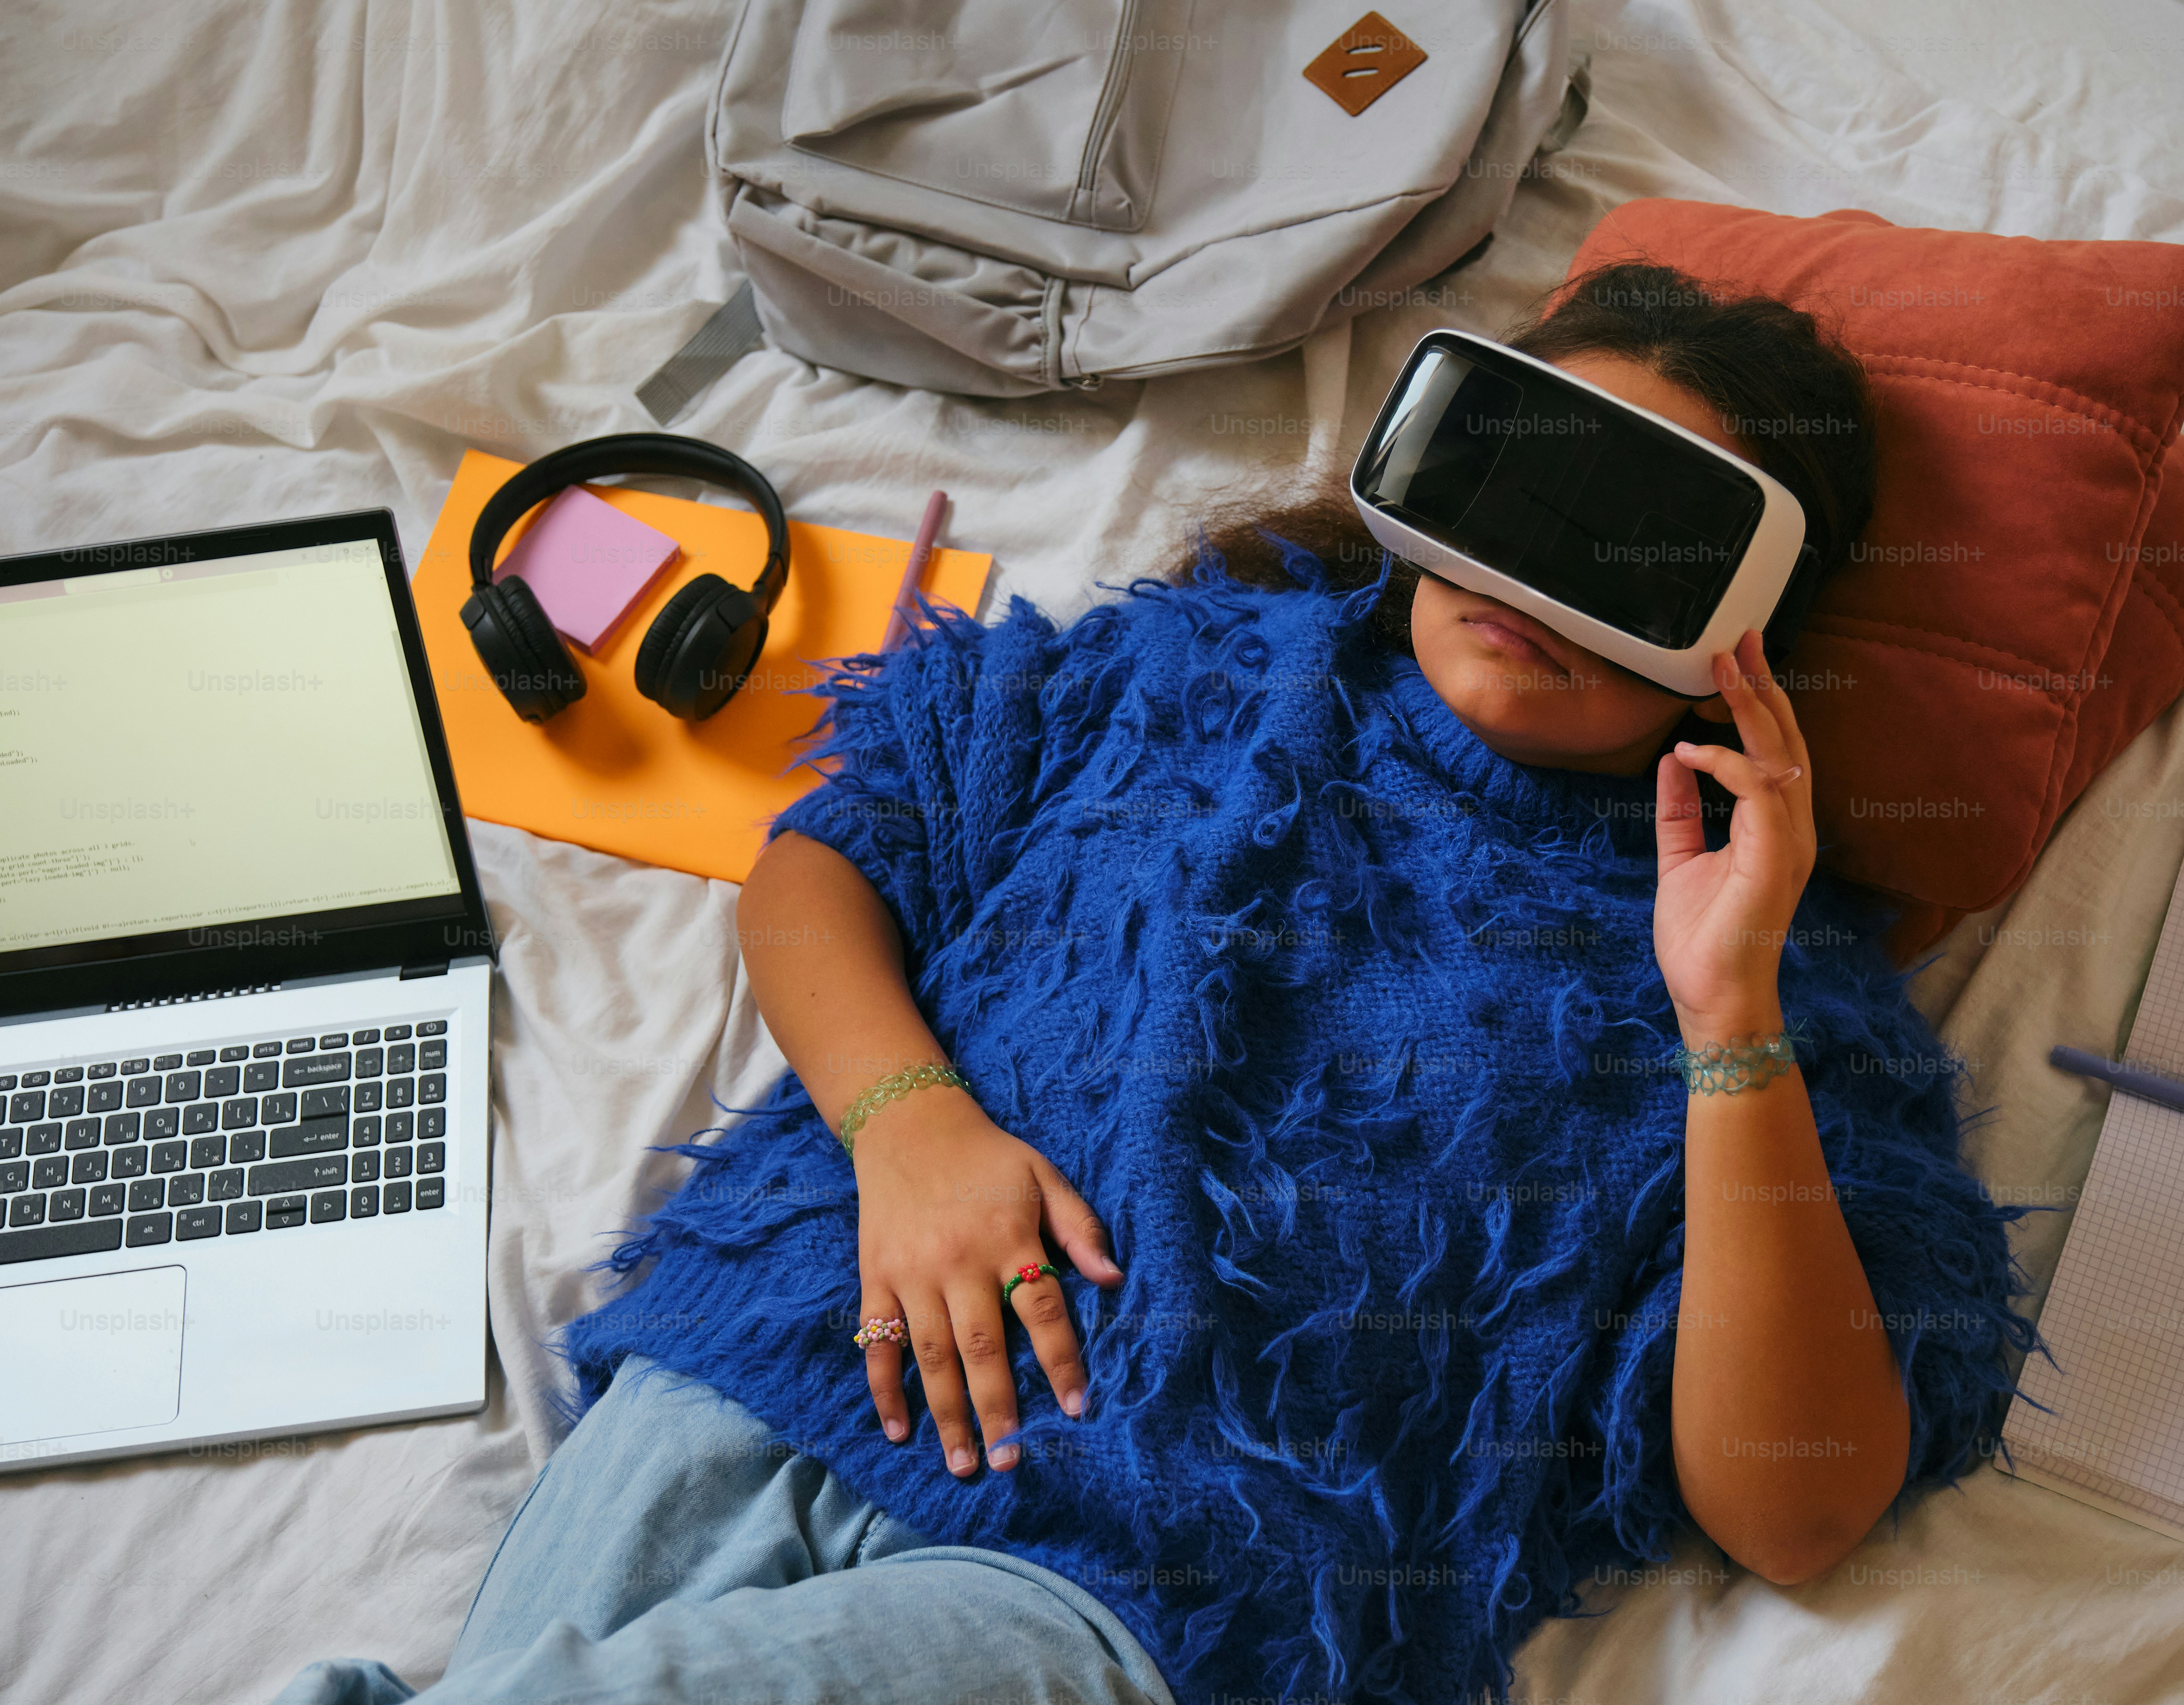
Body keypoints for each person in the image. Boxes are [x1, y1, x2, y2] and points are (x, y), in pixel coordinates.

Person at [274, 262, 2036, 1705]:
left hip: (1154, 1585)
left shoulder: (1767, 983)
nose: (1542, 580)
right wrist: (909, 1124)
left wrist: (1731, 1027)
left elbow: (1799, 1502)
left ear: (1746, 631)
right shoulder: (1185, 662)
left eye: (1632, 544)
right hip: (781, 1347)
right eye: (1523, 488)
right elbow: (826, 861)